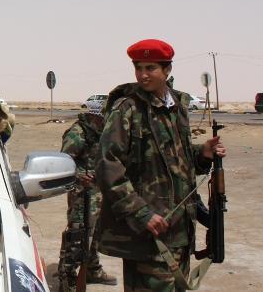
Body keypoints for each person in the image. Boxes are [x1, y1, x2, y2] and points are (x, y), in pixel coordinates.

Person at [96, 39, 226, 292]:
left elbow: (175, 159)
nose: (143, 75)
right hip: (149, 231)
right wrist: (141, 213)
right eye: (138, 68)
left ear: (167, 70)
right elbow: (108, 165)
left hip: (179, 230)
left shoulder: (176, 107)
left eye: (150, 68)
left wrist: (203, 154)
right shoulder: (128, 109)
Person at [57, 110, 117, 291]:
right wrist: (79, 176)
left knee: (96, 233)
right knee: (77, 234)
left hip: (99, 192)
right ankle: (67, 277)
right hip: (82, 194)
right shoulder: (78, 133)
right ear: (95, 115)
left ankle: (92, 269)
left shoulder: (103, 132)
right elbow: (63, 164)